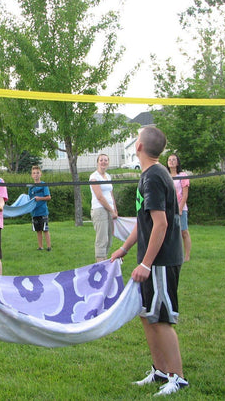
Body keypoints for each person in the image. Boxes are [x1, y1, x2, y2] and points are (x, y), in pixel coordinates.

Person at [111, 126, 187, 396]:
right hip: (151, 259)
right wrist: (124, 248)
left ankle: (177, 377)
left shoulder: (154, 177)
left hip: (161, 261)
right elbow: (142, 222)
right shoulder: (150, 175)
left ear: (139, 146)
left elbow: (161, 224)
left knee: (161, 318)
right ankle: (159, 370)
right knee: (146, 315)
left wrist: (145, 264)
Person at [90, 154, 118, 262]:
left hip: (110, 210)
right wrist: (111, 211)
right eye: (101, 160)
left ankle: (105, 264)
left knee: (108, 239)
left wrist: (115, 209)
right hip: (99, 210)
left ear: (108, 162)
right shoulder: (94, 177)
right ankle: (100, 266)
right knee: (102, 240)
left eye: (106, 160)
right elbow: (100, 197)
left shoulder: (108, 176)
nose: (103, 162)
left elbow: (111, 195)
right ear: (98, 162)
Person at [167, 154, 192, 261]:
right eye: (169, 160)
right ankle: (174, 254)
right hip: (169, 208)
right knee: (171, 233)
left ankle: (187, 255)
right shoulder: (166, 176)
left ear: (177, 162)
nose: (171, 162)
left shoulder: (182, 175)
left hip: (181, 208)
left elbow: (185, 194)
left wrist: (180, 209)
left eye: (174, 160)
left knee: (184, 232)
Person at [29, 165, 51, 251]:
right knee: (38, 230)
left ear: (40, 174)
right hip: (35, 212)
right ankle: (40, 247)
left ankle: (49, 247)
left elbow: (49, 197)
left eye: (37, 173)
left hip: (43, 211)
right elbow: (30, 199)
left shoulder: (43, 185)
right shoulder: (31, 187)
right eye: (34, 173)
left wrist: (39, 198)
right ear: (32, 175)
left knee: (45, 229)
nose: (36, 175)